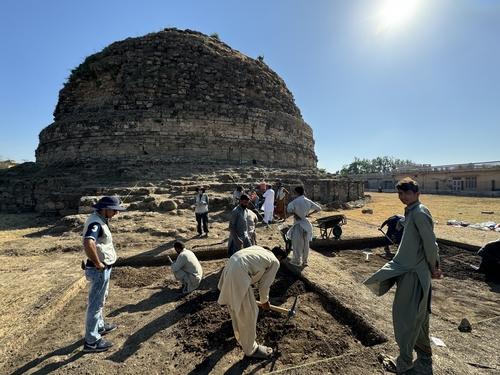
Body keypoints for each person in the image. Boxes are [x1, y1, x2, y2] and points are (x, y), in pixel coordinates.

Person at [364, 177, 442, 374]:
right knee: (417, 316)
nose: (403, 197)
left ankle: (405, 360)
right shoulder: (411, 211)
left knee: (407, 318)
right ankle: (423, 354)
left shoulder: (420, 212)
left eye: (406, 193)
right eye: (400, 193)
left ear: (417, 193)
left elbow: (430, 244)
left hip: (415, 274)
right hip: (408, 270)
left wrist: (434, 267)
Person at [217, 245, 288, 359]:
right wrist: (265, 301)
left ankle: (239, 335)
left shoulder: (259, 249)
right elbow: (264, 286)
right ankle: (251, 350)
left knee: (236, 309)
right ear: (279, 256)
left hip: (231, 265)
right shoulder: (275, 261)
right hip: (239, 273)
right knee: (249, 314)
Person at [82, 196, 126, 353]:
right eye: (114, 210)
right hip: (99, 269)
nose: (116, 213)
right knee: (95, 305)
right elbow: (88, 242)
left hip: (103, 268)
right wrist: (97, 263)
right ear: (105, 209)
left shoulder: (99, 219)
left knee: (100, 300)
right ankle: (92, 341)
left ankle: (99, 327)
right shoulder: (95, 223)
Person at [286, 186, 322, 267]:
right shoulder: (308, 201)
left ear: (297, 193)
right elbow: (319, 208)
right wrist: (309, 214)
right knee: (306, 244)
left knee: (297, 244)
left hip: (298, 224)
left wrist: (296, 214)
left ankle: (296, 261)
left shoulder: (294, 202)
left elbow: (289, 210)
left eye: (294, 192)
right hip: (307, 225)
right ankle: (305, 261)